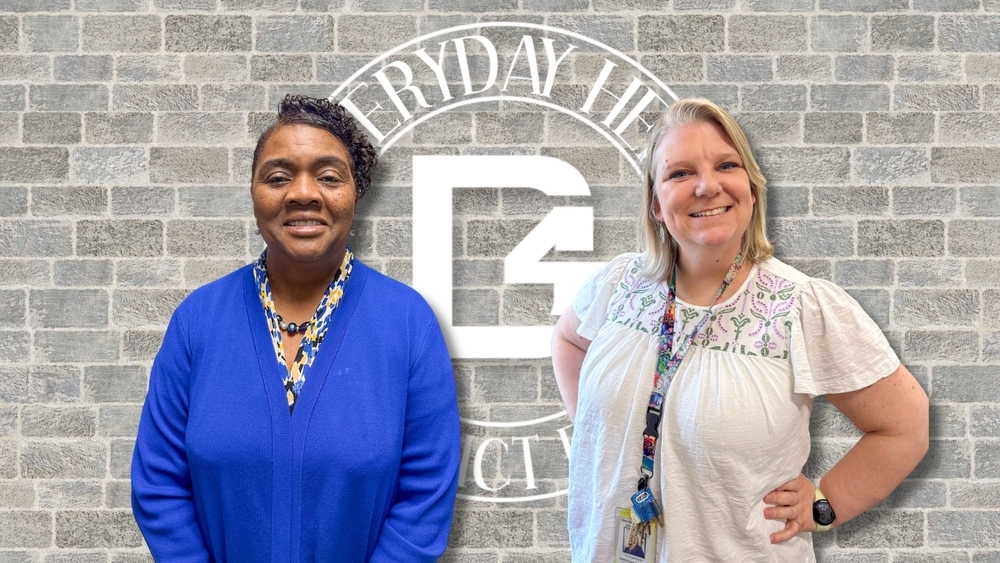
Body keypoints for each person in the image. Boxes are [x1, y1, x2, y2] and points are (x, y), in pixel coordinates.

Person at [551, 98, 929, 562]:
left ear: (751, 190)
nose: (707, 186)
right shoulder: (619, 283)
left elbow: (904, 426)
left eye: (726, 166)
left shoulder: (800, 306)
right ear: (655, 203)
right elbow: (568, 341)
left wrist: (825, 505)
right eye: (680, 173)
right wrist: (600, 435)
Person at [131, 95, 461, 563]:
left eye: (328, 177)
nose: (303, 193)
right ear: (253, 193)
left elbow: (426, 496)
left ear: (356, 193)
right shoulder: (197, 322)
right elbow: (159, 485)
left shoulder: (409, 324)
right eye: (278, 177)